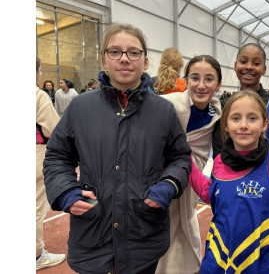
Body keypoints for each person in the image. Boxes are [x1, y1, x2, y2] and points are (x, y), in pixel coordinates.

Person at [43, 23, 192, 274]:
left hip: (143, 234)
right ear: (104, 59)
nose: (124, 59)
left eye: (133, 52)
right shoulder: (80, 108)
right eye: (115, 52)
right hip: (93, 232)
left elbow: (180, 157)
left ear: (145, 61)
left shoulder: (163, 111)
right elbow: (57, 156)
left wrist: (168, 185)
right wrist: (66, 191)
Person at [190, 90, 269, 273]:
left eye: (252, 118)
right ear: (226, 125)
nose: (243, 125)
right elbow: (209, 194)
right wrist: (186, 159)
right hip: (215, 266)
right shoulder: (220, 162)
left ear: (265, 124)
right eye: (236, 118)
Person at [212, 42, 269, 273]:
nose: (249, 67)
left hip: (264, 196)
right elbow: (220, 154)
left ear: (264, 69)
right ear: (235, 65)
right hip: (231, 196)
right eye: (243, 61)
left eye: (256, 63)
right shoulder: (224, 105)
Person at [155, 55, 223, 274]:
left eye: (209, 79)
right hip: (162, 176)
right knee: (164, 222)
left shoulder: (217, 111)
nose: (201, 85)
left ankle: (184, 267)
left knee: (185, 219)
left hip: (191, 178)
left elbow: (204, 149)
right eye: (195, 78)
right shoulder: (169, 103)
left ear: (218, 84)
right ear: (186, 80)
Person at [36, 56, 65, 271]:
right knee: (35, 207)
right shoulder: (38, 96)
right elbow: (54, 129)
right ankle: (36, 254)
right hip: (35, 155)